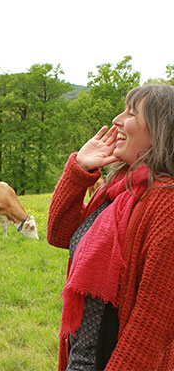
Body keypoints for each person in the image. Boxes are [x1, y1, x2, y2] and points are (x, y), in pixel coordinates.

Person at [47, 84, 174, 370]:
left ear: (158, 130)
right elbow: (60, 235)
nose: (117, 120)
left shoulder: (166, 203)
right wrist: (79, 170)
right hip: (82, 358)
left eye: (130, 113)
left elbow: (152, 326)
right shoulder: (116, 190)